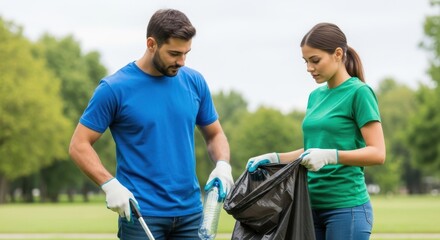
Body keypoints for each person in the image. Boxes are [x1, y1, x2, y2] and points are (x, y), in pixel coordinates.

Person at [69, 8, 234, 240]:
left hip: (191, 213)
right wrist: (109, 184)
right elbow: (79, 145)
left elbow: (215, 134)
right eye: (174, 53)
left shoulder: (194, 82)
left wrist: (222, 164)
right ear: (151, 44)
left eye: (187, 53)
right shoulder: (114, 89)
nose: (182, 62)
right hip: (141, 215)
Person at [246, 22, 386, 240]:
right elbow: (313, 149)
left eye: (315, 60)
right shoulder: (315, 97)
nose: (309, 68)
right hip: (308, 207)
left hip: (346, 210)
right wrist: (273, 158)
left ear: (338, 54)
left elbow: (377, 153)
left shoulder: (360, 93)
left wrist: (331, 156)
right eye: (305, 61)